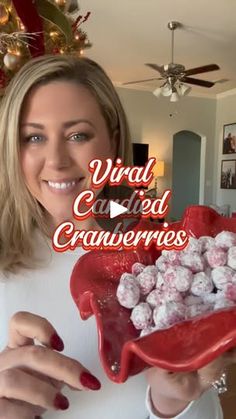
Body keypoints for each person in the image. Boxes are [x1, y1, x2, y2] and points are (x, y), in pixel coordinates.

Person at [0, 54, 235, 419]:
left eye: (78, 135)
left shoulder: (165, 260)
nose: (56, 160)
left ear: (111, 142)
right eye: (33, 137)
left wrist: (173, 405)